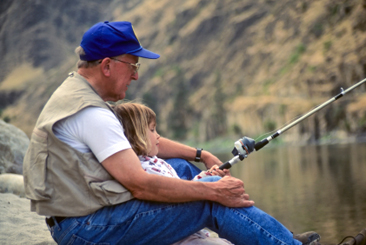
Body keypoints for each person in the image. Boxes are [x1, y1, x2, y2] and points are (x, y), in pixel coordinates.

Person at [23, 20, 321, 245]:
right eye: (133, 65)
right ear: (106, 65)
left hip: (80, 216)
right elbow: (139, 185)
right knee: (208, 200)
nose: (136, 75)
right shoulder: (90, 114)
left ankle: (274, 236)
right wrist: (212, 190)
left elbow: (142, 139)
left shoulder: (79, 93)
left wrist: (200, 154)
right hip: (85, 229)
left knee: (179, 168)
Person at [113, 101, 233, 244]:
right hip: (179, 238)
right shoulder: (143, 169)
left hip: (190, 232)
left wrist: (206, 176)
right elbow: (179, 196)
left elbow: (183, 186)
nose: (158, 136)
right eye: (152, 130)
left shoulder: (156, 161)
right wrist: (208, 183)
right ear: (136, 136)